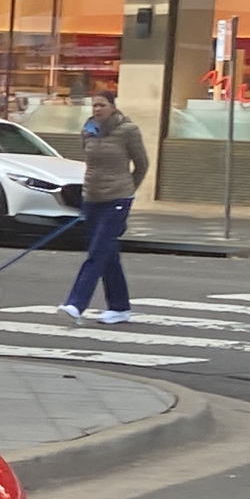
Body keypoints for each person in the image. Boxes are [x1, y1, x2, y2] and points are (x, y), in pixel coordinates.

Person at [60, 90, 150, 324]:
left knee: (97, 252)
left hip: (117, 199)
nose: (97, 109)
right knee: (108, 254)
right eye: (94, 105)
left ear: (112, 106)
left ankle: (76, 303)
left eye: (101, 105)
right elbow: (90, 165)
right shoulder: (88, 131)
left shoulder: (128, 131)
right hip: (92, 198)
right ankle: (119, 307)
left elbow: (142, 164)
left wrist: (128, 189)